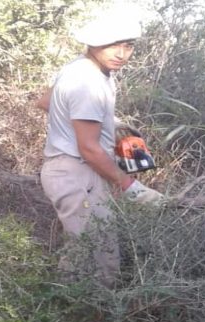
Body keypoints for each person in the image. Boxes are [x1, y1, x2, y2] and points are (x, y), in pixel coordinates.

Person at [38, 10, 165, 288]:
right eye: (113, 45)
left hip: (73, 171)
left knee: (83, 253)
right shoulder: (89, 82)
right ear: (93, 42)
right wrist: (132, 188)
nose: (121, 53)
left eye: (128, 45)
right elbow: (90, 150)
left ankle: (67, 314)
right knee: (98, 259)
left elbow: (46, 102)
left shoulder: (82, 68)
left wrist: (108, 121)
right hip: (78, 172)